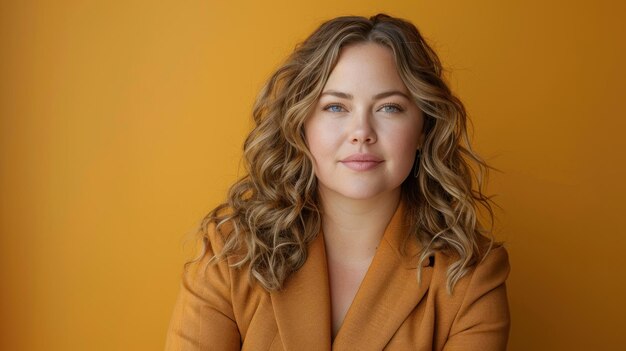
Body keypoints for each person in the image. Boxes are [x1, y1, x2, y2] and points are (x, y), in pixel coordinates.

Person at [165, 13, 510, 350]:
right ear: (301, 124)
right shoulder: (230, 252)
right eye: (335, 107)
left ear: (423, 129)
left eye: (389, 107)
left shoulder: (471, 274)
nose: (361, 133)